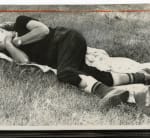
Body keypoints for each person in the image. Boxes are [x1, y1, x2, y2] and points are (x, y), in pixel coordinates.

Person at [1, 15, 150, 108]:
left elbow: (43, 30)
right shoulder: (9, 48)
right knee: (94, 75)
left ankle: (107, 93)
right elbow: (25, 61)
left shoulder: (20, 22)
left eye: (0, 33)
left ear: (2, 28)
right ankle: (141, 77)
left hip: (66, 38)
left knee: (64, 74)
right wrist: (8, 44)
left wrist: (19, 40)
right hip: (64, 58)